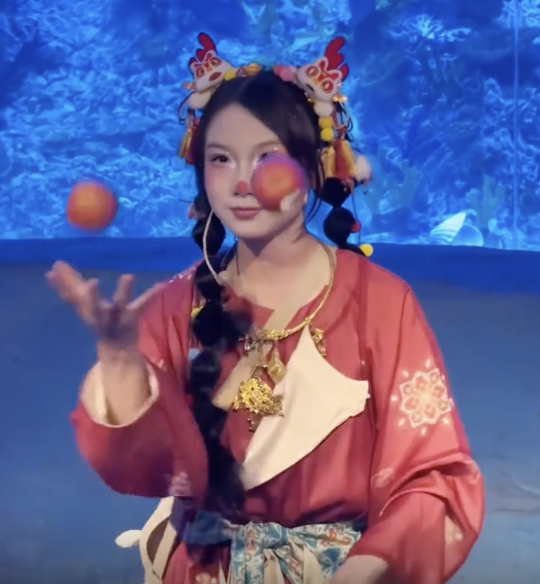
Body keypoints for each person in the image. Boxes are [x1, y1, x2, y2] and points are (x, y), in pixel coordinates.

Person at [47, 33, 484, 584]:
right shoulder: (176, 305)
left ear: (317, 168)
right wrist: (117, 359)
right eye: (221, 159)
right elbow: (145, 470)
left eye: (268, 159)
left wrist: (366, 568)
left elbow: (434, 478)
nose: (243, 183)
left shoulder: (380, 302)